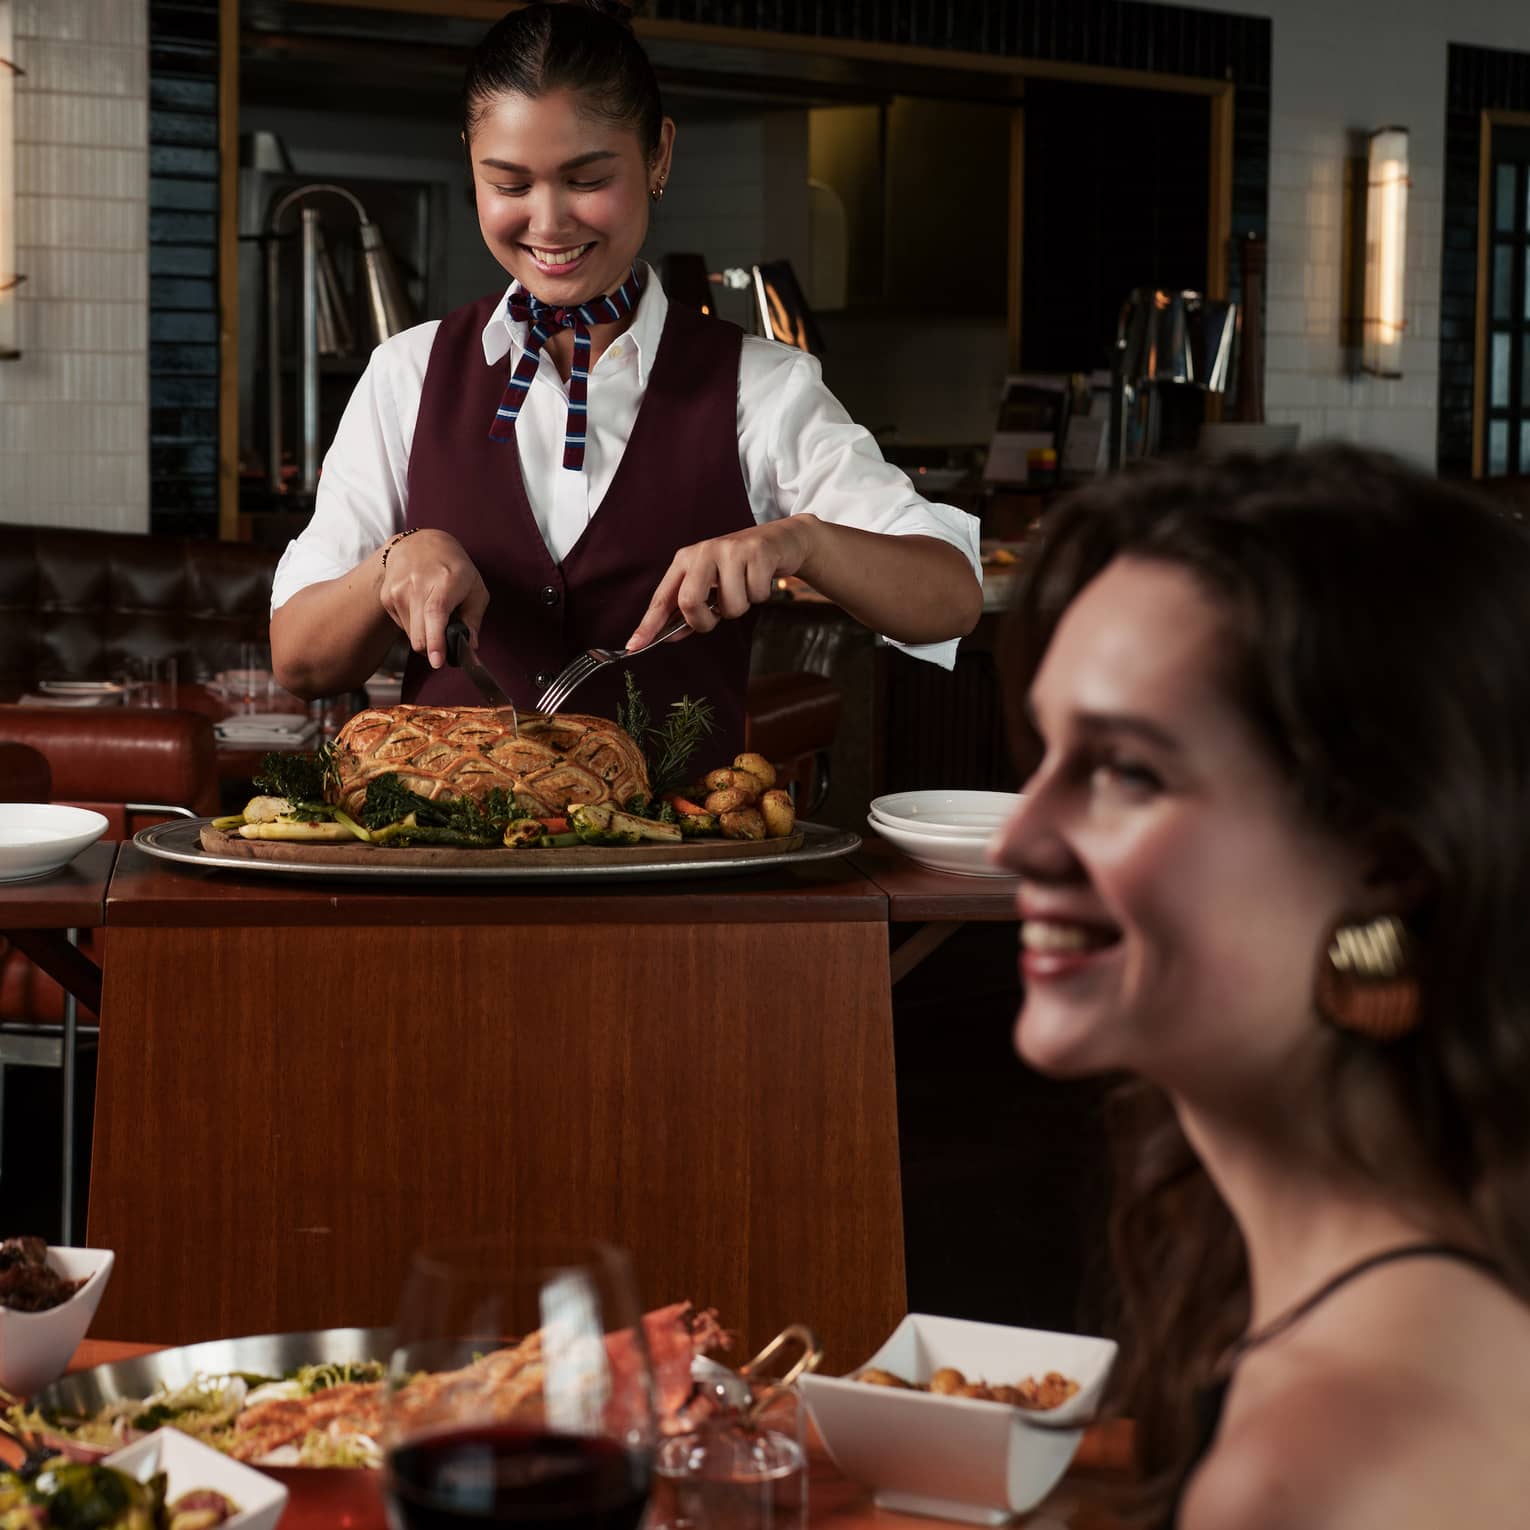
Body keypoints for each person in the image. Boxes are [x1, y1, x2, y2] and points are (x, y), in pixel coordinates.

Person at [990, 445, 1530, 1528]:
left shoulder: (1322, 1472)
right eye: (1045, 751)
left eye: (1128, 770)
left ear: (1389, 860)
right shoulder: (1426, 1244)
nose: (1020, 838)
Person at [268, 0, 981, 757]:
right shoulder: (407, 375)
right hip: (446, 856)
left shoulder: (761, 388)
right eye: (509, 185)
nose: (547, 222)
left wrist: (798, 542)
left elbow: (948, 600)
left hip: (679, 862)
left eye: (585, 179)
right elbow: (300, 660)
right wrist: (389, 566)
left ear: (659, 155)